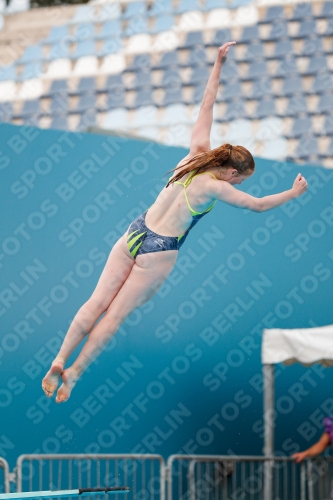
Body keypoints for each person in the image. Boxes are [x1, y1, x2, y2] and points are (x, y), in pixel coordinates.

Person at [42, 41, 308, 403]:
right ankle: (72, 374)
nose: (239, 184)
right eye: (239, 179)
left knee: (96, 301)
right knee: (114, 316)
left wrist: (218, 62)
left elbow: (206, 104)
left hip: (135, 232)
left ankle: (58, 358)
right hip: (159, 249)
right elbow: (258, 206)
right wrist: (292, 195)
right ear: (231, 171)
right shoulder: (215, 187)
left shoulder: (196, 151)